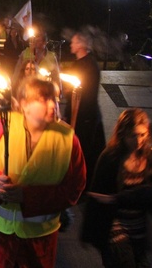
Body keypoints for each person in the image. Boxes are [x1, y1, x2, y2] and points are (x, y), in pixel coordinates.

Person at [0, 77, 86, 267]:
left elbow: (74, 189)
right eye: (43, 99)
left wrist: (27, 196)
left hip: (40, 242)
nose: (53, 104)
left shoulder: (68, 139)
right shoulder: (0, 127)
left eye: (54, 98)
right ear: (23, 105)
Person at [82, 108, 152, 267]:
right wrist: (87, 232)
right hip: (115, 224)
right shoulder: (110, 158)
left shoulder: (151, 156)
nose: (139, 141)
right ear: (122, 134)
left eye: (142, 135)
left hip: (139, 224)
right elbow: (95, 196)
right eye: (133, 135)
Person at [65, 30, 104, 191]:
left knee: (84, 151)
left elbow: (87, 94)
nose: (71, 45)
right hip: (80, 114)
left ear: (81, 45)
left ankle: (83, 185)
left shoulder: (88, 65)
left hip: (85, 117)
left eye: (74, 42)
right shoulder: (80, 63)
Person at [13, 30, 61, 95]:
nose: (37, 43)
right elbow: (17, 71)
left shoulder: (51, 56)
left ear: (45, 42)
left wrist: (59, 90)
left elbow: (56, 75)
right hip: (27, 88)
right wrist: (14, 87)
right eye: (35, 40)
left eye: (39, 41)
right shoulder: (25, 53)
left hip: (44, 89)